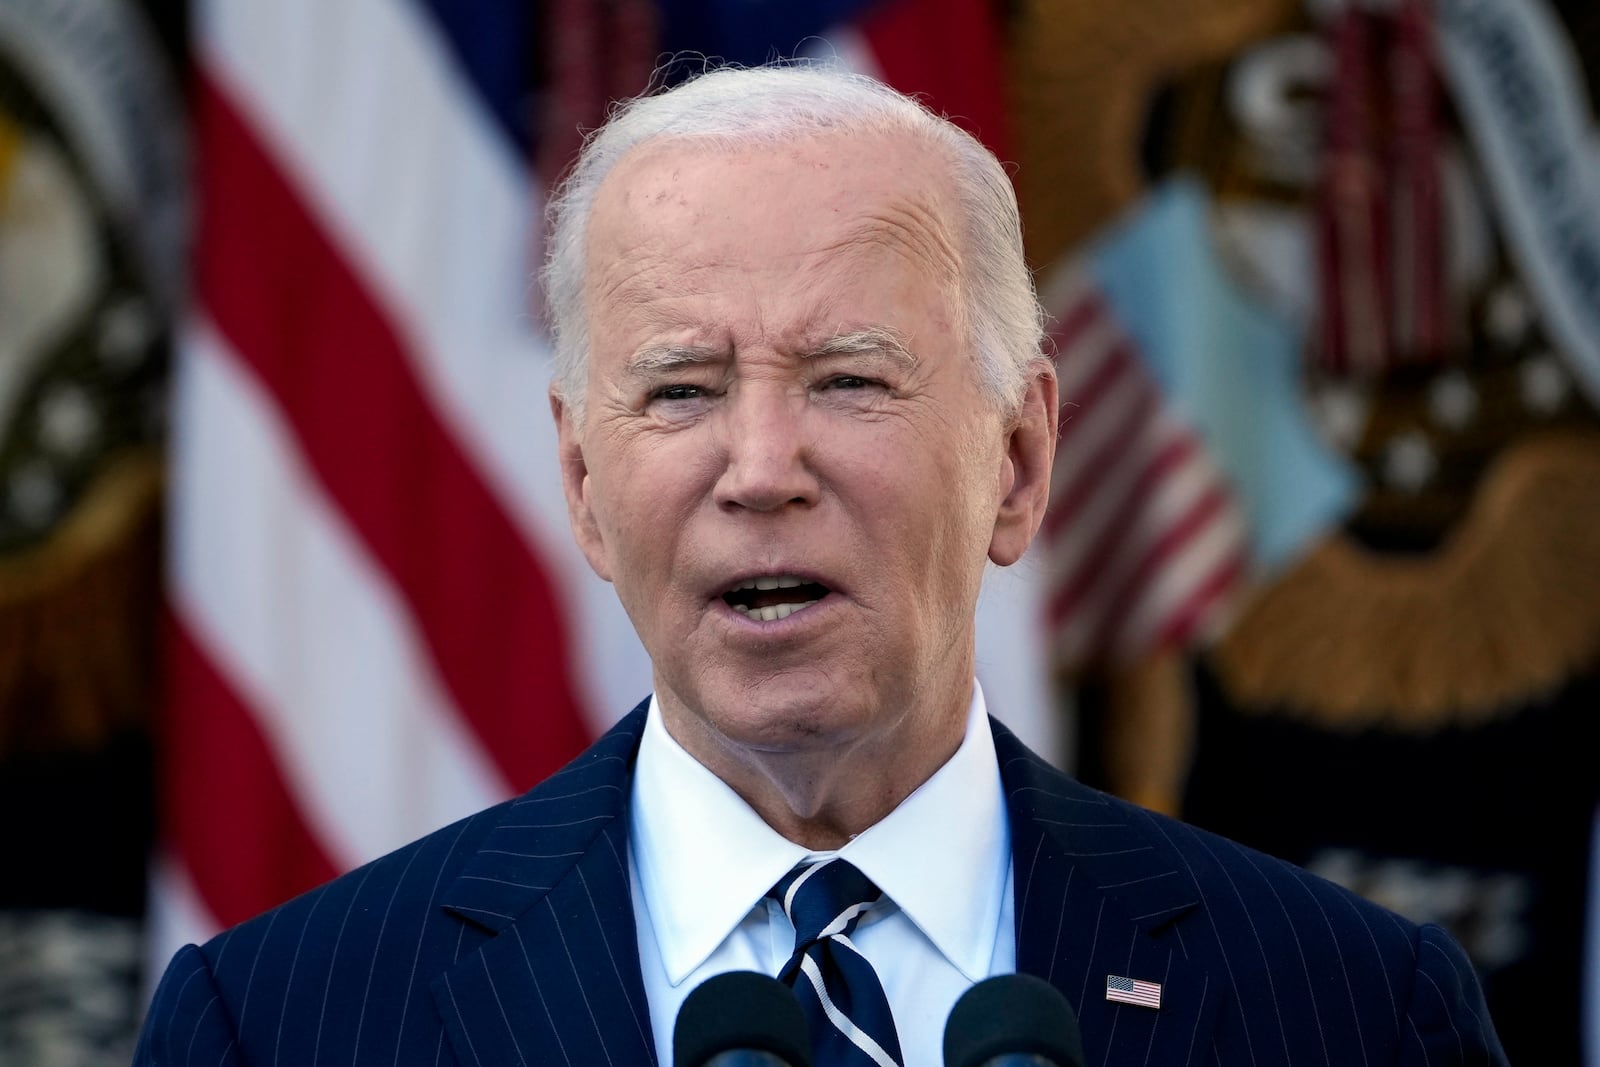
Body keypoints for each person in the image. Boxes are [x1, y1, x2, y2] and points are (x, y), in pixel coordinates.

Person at [134, 63, 1506, 1067]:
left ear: (1019, 464)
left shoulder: (1357, 1014)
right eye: (679, 391)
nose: (762, 466)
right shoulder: (283, 1023)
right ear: (584, 490)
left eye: (850, 380)